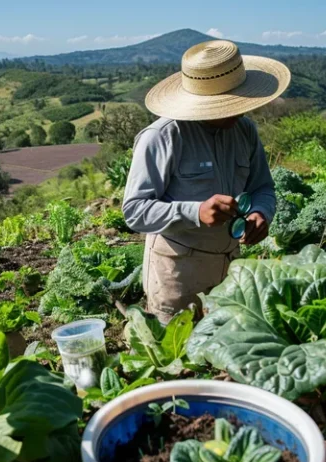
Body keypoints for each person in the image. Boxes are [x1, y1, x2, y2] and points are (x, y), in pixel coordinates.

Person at [122, 40, 290, 322]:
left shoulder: (245, 130)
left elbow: (262, 186)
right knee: (181, 358)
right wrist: (195, 212)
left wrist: (262, 212)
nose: (237, 112)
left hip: (229, 267)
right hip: (177, 274)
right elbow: (135, 211)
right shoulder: (163, 136)